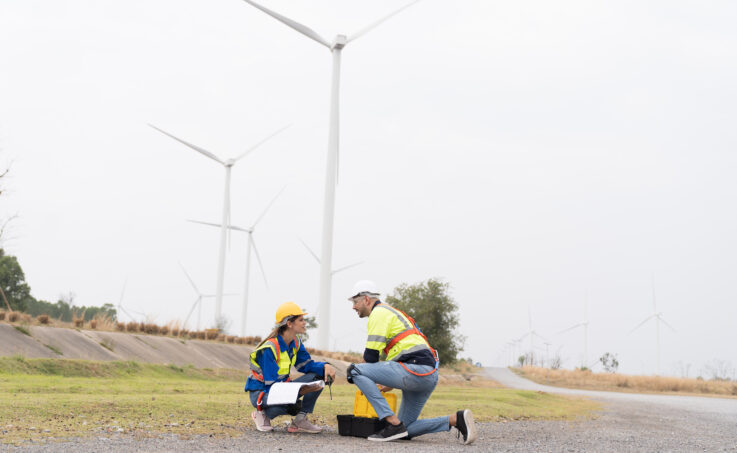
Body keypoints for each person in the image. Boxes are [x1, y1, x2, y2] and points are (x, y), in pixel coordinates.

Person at [345, 280, 477, 444]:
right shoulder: (391, 313)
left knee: (354, 371)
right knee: (404, 431)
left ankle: (392, 422)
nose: (353, 307)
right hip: (428, 375)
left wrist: (362, 378)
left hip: (414, 369)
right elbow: (401, 352)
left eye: (355, 302)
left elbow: (370, 358)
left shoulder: (378, 314)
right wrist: (385, 382)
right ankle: (455, 420)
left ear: (366, 299)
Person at [245, 301, 337, 433]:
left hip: (279, 388)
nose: (304, 323)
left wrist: (325, 366)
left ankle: (300, 419)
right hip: (262, 392)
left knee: (320, 376)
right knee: (291, 405)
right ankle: (261, 414)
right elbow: (271, 387)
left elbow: (306, 366)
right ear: (289, 323)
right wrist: (298, 392)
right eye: (301, 320)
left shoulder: (295, 342)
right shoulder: (269, 349)